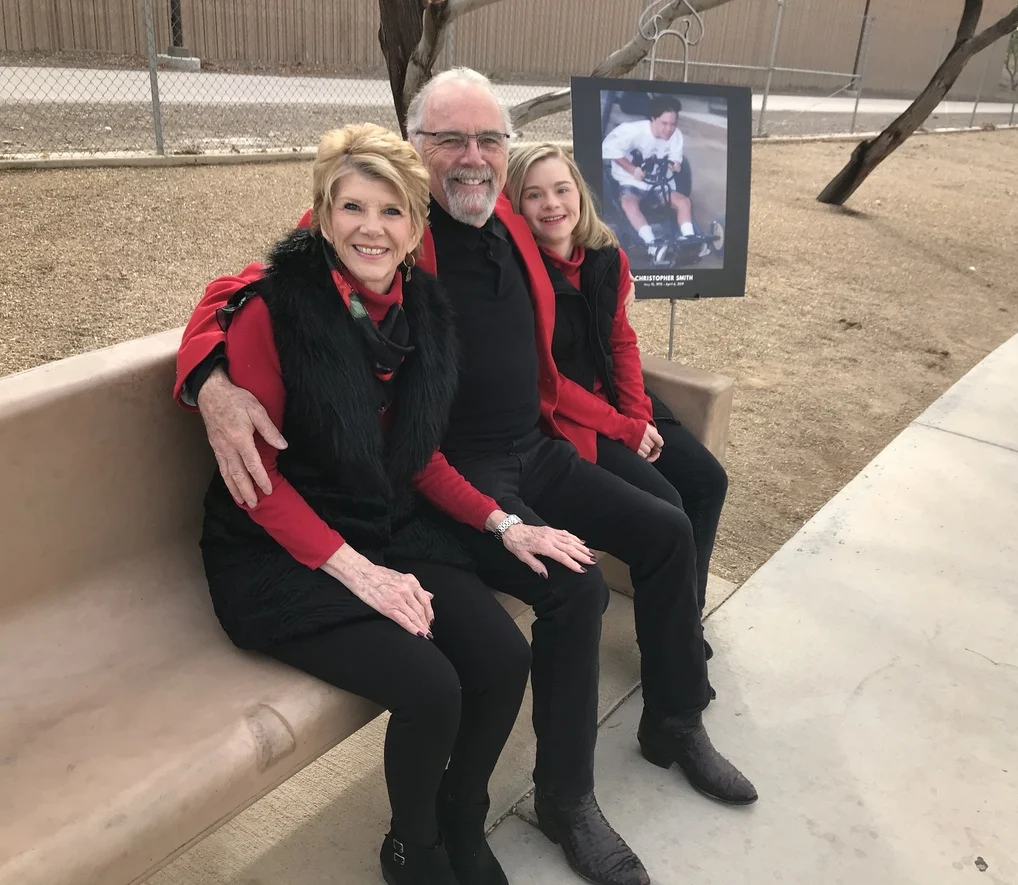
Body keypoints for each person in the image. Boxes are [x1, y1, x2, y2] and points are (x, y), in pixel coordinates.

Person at [176, 69, 756, 885]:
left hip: (533, 448)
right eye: (450, 139)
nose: (473, 156)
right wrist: (208, 378)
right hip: (447, 472)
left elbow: (585, 266)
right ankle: (566, 799)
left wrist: (618, 411)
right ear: (416, 149)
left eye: (489, 139)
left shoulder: (502, 221)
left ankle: (674, 717)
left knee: (666, 527)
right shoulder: (388, 222)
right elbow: (251, 287)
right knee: (575, 588)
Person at [192, 123, 534, 885]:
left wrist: (503, 522)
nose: (370, 228)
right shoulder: (279, 311)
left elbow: (418, 457)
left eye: (390, 210)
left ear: (415, 225)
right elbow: (258, 484)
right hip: (278, 549)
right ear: (322, 215)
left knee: (503, 658)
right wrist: (359, 573)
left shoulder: (423, 311)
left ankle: (460, 815)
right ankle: (413, 846)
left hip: (380, 519)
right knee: (430, 687)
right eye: (351, 207)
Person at [505, 142, 728, 660]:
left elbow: (622, 343)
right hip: (568, 419)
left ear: (579, 193)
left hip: (622, 403)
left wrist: (639, 416)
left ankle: (683, 621)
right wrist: (625, 430)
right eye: (533, 195)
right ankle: (666, 645)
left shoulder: (608, 257)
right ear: (515, 207)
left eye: (561, 189)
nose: (551, 203)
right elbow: (547, 382)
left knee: (706, 481)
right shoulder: (518, 277)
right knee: (665, 505)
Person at [600, 95, 706, 261]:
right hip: (632, 182)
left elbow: (676, 158)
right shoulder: (631, 131)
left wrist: (675, 164)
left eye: (673, 124)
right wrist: (632, 169)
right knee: (628, 203)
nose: (669, 129)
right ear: (653, 119)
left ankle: (689, 239)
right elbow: (609, 149)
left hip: (659, 184)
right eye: (664, 123)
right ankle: (652, 244)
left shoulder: (676, 135)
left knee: (684, 202)